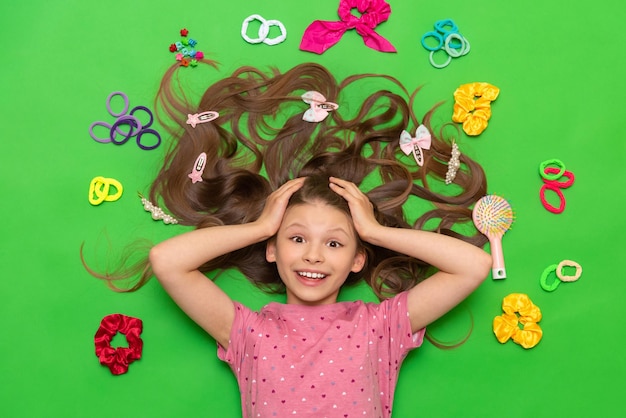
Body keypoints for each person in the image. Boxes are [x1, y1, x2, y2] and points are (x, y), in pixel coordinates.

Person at [88, 60, 492, 417]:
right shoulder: (247, 333)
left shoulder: (379, 327)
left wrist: (376, 232)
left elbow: (473, 265)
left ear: (357, 259)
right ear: (273, 251)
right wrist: (260, 226)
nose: (314, 255)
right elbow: (167, 260)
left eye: (334, 243)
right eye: (296, 239)